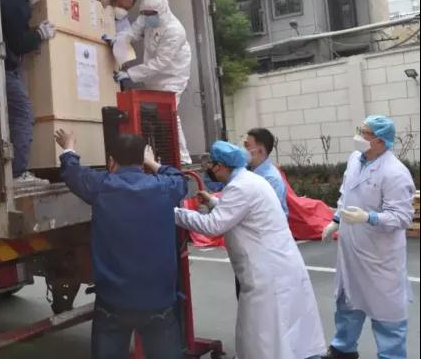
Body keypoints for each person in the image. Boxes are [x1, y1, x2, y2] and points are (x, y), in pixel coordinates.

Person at [175, 141, 325, 359]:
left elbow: (213, 225)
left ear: (220, 166)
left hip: (266, 270)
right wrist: (214, 203)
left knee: (262, 334)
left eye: (211, 165)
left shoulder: (239, 187)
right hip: (278, 263)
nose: (210, 171)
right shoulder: (251, 180)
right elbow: (242, 213)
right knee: (285, 331)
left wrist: (174, 213)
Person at [55, 129, 185, 359]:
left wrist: (69, 147)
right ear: (141, 161)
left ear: (111, 161)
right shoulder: (165, 187)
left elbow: (72, 172)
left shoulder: (101, 186)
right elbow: (180, 178)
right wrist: (153, 162)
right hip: (158, 299)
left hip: (113, 301)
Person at [320, 115, 414, 359]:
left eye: (364, 133)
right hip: (352, 250)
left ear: (380, 141)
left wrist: (368, 218)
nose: (358, 136)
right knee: (347, 302)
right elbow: (346, 193)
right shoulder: (355, 159)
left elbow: (402, 217)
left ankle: (392, 355)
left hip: (379, 257)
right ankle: (343, 349)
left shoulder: (395, 173)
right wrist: (336, 220)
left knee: (386, 313)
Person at [111, 0, 192, 165]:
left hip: (173, 75)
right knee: (156, 116)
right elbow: (132, 32)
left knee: (170, 113)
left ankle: (183, 158)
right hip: (154, 76)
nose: (147, 17)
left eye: (151, 14)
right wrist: (118, 39)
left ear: (162, 10)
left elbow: (160, 62)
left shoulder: (174, 31)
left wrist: (130, 73)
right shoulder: (147, 16)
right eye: (145, 13)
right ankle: (160, 155)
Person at [0, 0, 55, 184]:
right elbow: (18, 43)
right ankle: (18, 172)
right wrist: (39, 35)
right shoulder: (15, 3)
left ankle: (7, 171)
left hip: (4, 66)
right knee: (23, 114)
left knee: (9, 117)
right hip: (2, 67)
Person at [244, 127, 287, 214]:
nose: (243, 150)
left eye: (247, 146)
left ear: (261, 150)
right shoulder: (245, 171)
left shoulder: (272, 180)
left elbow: (271, 214)